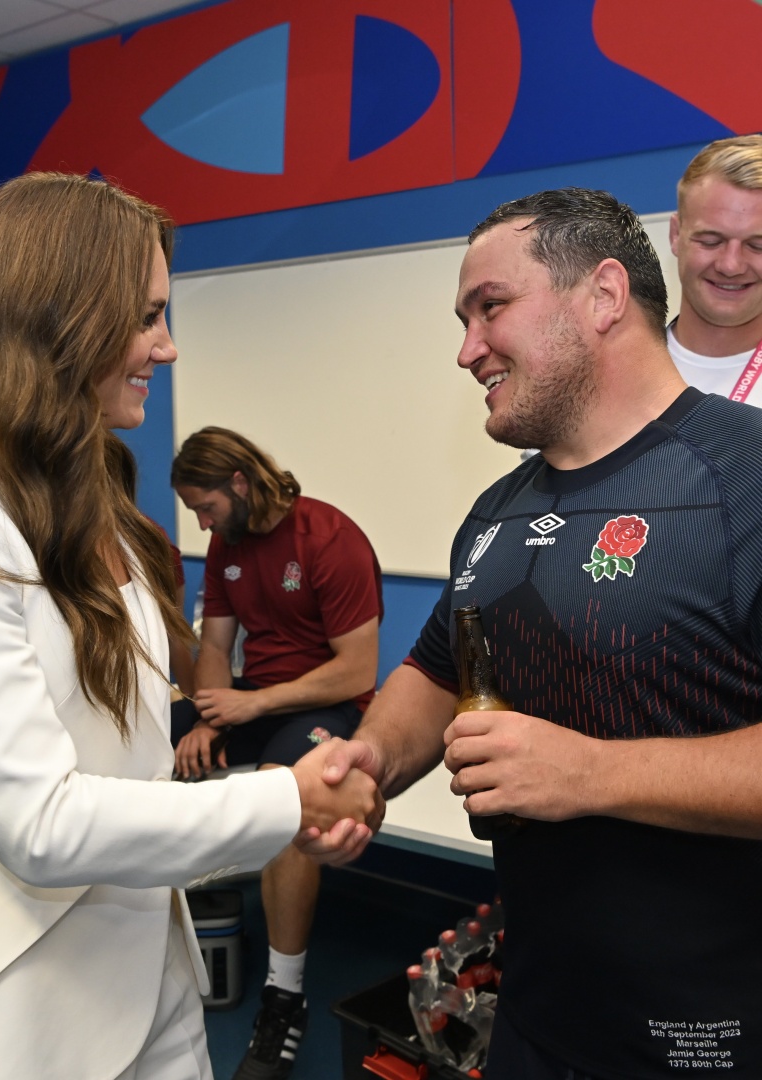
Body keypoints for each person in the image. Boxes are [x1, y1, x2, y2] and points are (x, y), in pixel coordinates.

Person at [0, 172, 381, 1080]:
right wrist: (287, 798)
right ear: (59, 315)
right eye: (148, 315)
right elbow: (37, 822)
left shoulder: (104, 506)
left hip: (154, 971)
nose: (166, 346)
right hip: (33, 1010)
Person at [306, 187, 762, 1079]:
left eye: (491, 308)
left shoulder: (743, 477)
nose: (468, 348)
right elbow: (441, 667)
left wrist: (590, 773)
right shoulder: (497, 510)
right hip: (541, 1015)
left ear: (602, 296)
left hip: (718, 1030)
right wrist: (370, 763)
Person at [170, 427, 382, 1080]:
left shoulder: (329, 537)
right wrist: (208, 714)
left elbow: (356, 671)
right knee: (138, 738)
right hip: (250, 700)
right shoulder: (225, 544)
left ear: (239, 483)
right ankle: (146, 951)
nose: (202, 522)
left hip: (325, 706)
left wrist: (247, 708)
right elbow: (213, 648)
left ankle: (283, 1000)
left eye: (206, 507)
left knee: (283, 796)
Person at [668, 134, 762, 404]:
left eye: (757, 246)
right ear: (676, 235)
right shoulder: (608, 375)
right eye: (711, 241)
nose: (731, 265)